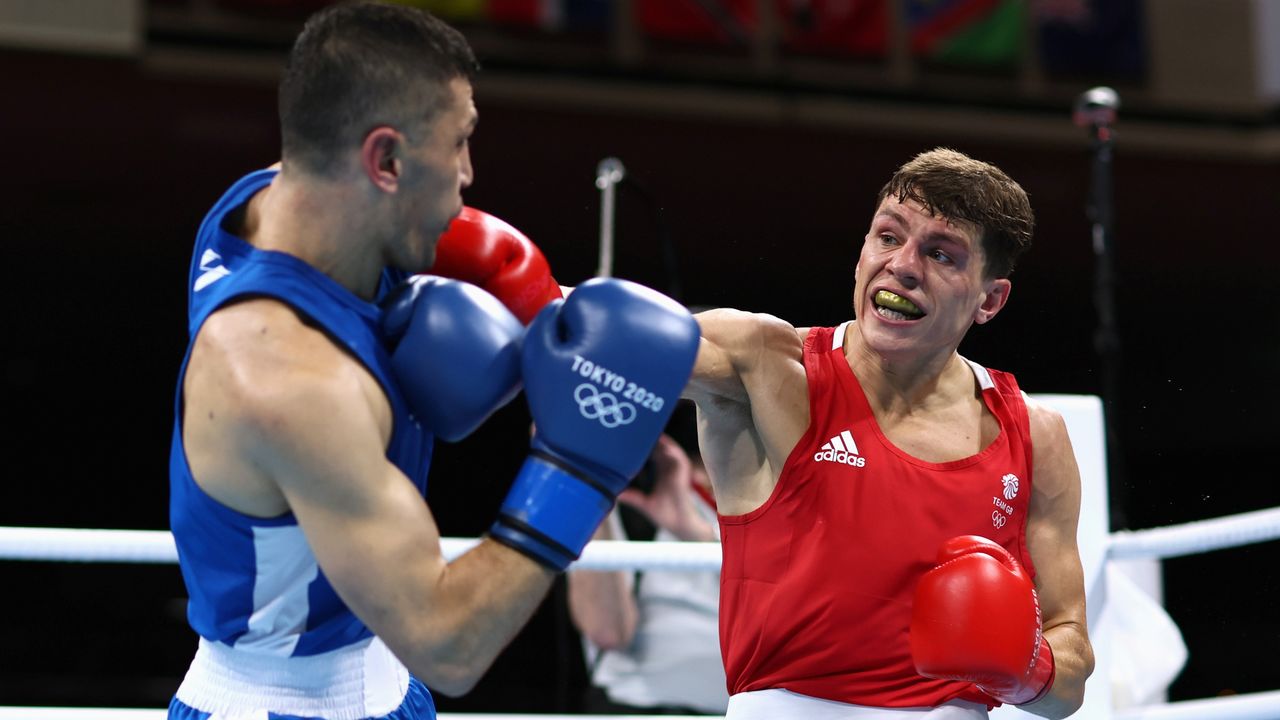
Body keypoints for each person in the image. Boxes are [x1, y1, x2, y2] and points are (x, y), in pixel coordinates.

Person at [166, 3, 699, 719]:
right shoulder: (286, 380)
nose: (469, 175)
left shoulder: (266, 202)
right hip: (287, 704)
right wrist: (580, 467)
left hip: (381, 680)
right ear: (385, 160)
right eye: (459, 144)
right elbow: (450, 647)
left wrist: (532, 296)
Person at [683, 148, 1095, 719]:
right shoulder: (770, 366)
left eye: (940, 254)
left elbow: (1070, 682)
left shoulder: (1033, 435)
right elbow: (611, 336)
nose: (902, 265)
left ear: (990, 300)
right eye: (887, 236)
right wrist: (527, 298)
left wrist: (1027, 666)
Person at [567, 404, 729, 716]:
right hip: (638, 708)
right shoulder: (621, 502)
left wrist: (698, 536)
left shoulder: (783, 499)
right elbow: (608, 632)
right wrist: (588, 484)